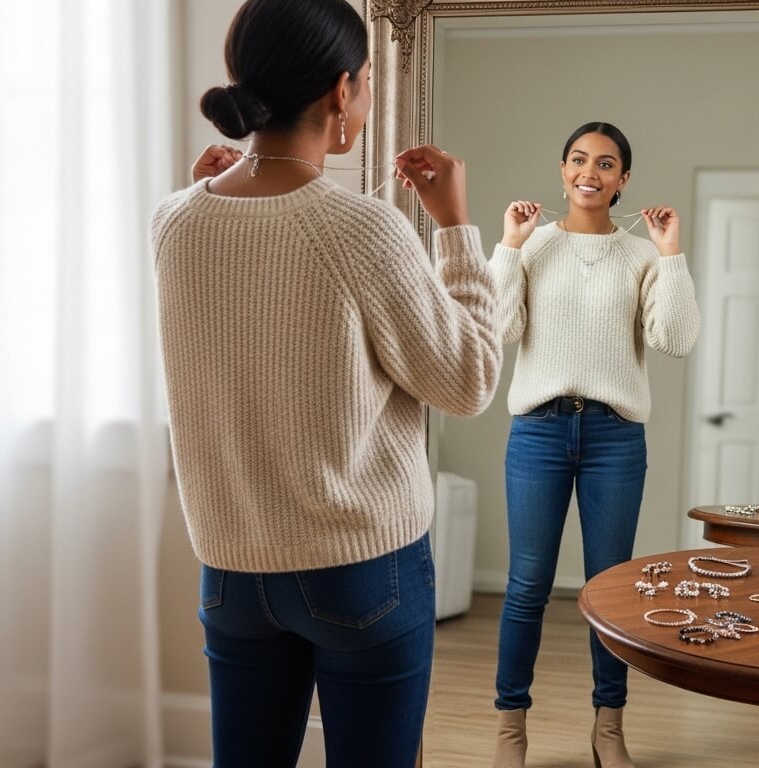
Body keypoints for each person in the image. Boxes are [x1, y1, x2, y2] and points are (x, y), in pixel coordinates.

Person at [150, 1, 501, 765]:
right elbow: (469, 380)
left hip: (231, 571)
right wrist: (456, 232)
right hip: (360, 569)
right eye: (368, 80)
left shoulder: (173, 223)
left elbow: (233, 321)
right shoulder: (362, 229)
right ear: (342, 93)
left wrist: (196, 195)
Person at [487, 122, 701, 768]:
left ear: (623, 180)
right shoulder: (532, 247)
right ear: (562, 170)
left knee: (611, 591)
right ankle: (509, 731)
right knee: (526, 587)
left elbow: (677, 340)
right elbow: (498, 330)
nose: (591, 171)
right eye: (579, 160)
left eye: (606, 164)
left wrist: (671, 253)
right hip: (538, 433)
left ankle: (609, 727)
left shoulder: (639, 256)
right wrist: (507, 246)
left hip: (614, 437)